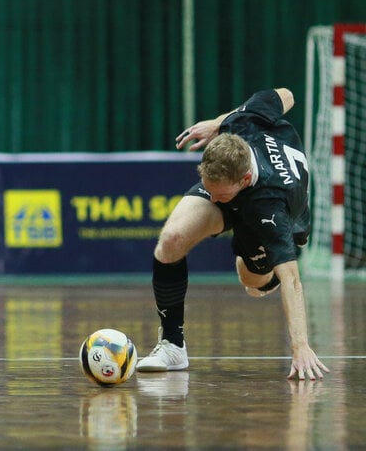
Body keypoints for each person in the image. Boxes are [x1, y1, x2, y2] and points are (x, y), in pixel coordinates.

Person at [136, 88, 330, 381]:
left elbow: (293, 279)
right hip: (237, 192)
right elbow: (288, 95)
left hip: (267, 210)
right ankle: (173, 346)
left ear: (245, 178)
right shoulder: (243, 122)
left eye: (218, 194)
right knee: (172, 239)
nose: (211, 199)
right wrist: (218, 121)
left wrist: (300, 345)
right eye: (208, 189)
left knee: (251, 281)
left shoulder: (272, 207)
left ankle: (266, 275)